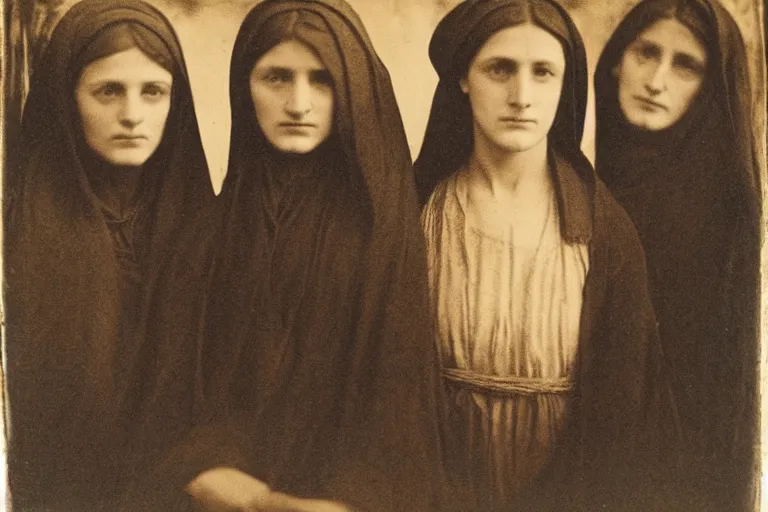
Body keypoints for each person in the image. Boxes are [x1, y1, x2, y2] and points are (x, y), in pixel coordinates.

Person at [122, 1, 446, 510]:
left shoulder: (383, 233)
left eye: (321, 80)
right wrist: (206, 470)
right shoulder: (207, 230)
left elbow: (398, 403)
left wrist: (346, 500)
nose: (298, 103)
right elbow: (168, 394)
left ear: (354, 90)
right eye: (276, 78)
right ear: (244, 86)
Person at [414, 0, 663, 509]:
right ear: (463, 77)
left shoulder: (605, 231)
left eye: (543, 72)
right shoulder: (419, 214)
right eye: (500, 68)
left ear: (564, 84)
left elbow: (625, 415)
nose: (521, 96)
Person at [4, 0, 213, 509]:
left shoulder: (208, 225)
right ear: (66, 99)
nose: (132, 115)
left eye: (154, 92)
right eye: (108, 91)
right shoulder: (22, 229)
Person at [593, 1, 760, 509]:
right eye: (647, 53)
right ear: (617, 61)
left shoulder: (721, 216)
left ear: (710, 90)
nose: (656, 81)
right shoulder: (586, 185)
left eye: (685, 65)